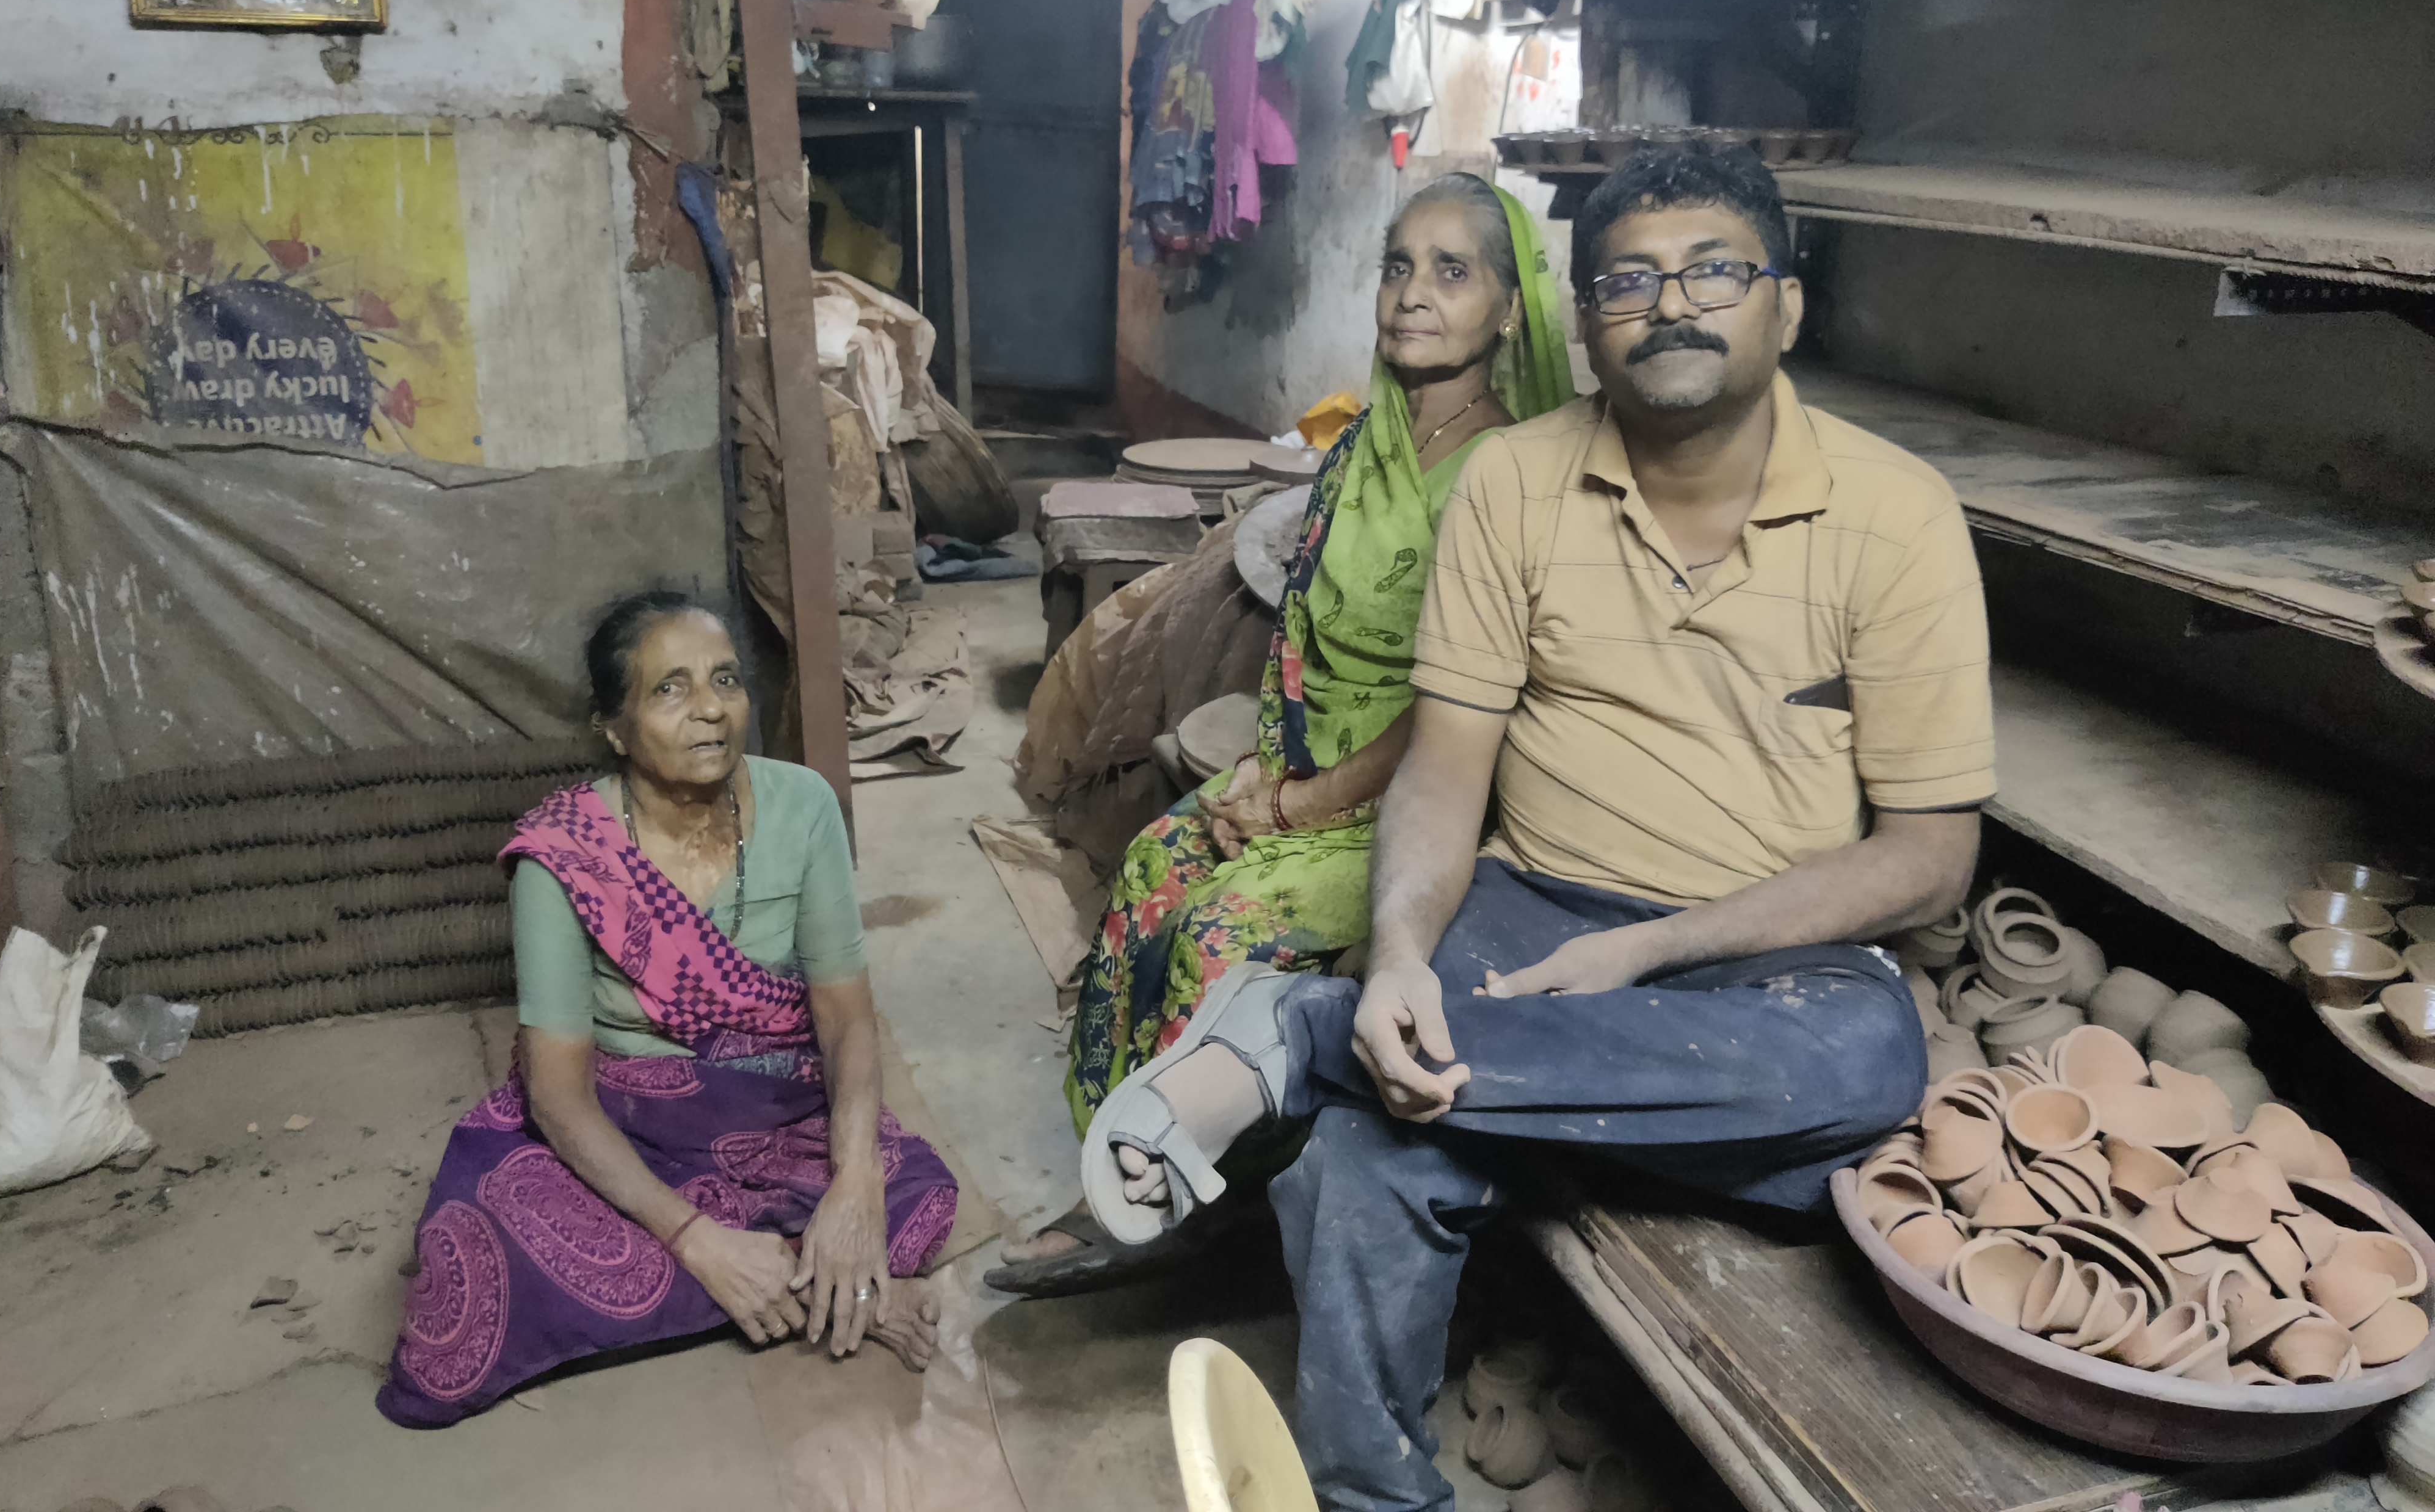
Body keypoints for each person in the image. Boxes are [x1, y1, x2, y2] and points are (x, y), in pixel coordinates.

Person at [1075, 143, 1997, 1510]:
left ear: (1784, 307)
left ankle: (1297, 1032)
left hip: (1758, 953)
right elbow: (1443, 768)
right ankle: (1374, 1498)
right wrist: (1394, 954)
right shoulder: (1514, 481)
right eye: (1626, 279)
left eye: (1713, 271)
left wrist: (1648, 953)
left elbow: (1929, 857)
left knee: (1865, 1063)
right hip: (1528, 908)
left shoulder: (1895, 515)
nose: (1667, 303)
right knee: (1367, 1154)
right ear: (1583, 315)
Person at [985, 173, 1575, 1297]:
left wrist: (1307, 801)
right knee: (1157, 862)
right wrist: (1269, 761)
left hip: (1419, 801)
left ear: (1510, 308)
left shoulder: (1512, 475)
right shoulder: (1369, 442)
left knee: (1221, 924)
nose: (1413, 294)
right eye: (1398, 265)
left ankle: (1211, 1193)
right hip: (1309, 766)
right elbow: (1304, 626)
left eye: (1452, 272)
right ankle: (1125, 1162)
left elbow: (1458, 708)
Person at [378, 592, 957, 1427]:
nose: (710, 710)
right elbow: (558, 1097)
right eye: (669, 690)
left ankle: (793, 1275)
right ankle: (837, 1295)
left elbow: (844, 1018)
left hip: (770, 1102)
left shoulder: (803, 806)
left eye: (724, 680)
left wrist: (857, 1184)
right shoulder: (564, 857)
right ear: (614, 728)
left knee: (914, 1193)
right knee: (470, 1252)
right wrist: (695, 1240)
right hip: (627, 1111)